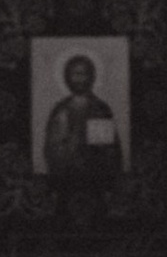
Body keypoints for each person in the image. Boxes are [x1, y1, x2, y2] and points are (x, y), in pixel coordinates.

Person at [43, 49, 123, 234]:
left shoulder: (99, 108)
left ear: (91, 76)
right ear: (67, 77)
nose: (78, 79)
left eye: (83, 73)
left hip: (94, 180)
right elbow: (52, 149)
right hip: (66, 180)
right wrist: (64, 152)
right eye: (74, 74)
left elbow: (107, 149)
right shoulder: (61, 109)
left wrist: (107, 176)